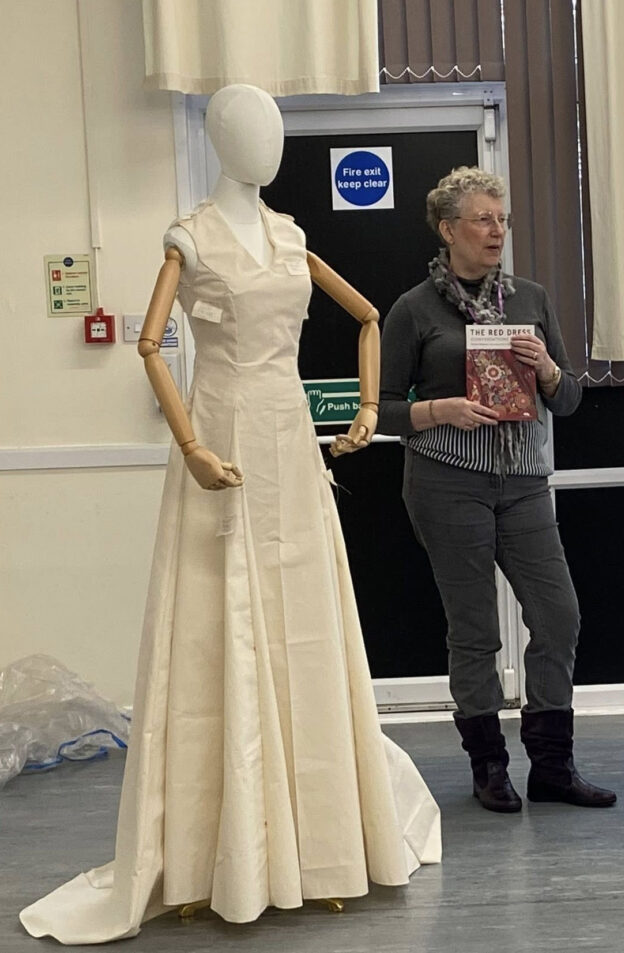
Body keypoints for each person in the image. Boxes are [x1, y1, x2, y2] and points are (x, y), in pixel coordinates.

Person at [20, 84, 441, 945]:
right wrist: (191, 447)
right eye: (255, 128)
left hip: (289, 438)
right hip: (225, 439)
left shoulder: (290, 237)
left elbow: (367, 316)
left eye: (275, 128)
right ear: (219, 136)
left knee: (306, 627)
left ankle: (320, 846)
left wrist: (369, 408)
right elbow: (149, 344)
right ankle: (222, 849)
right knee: (220, 625)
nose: (270, 142)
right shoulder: (191, 237)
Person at [377, 166, 616, 813]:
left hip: (524, 483)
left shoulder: (530, 299)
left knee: (559, 616)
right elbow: (382, 408)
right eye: (483, 219)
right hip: (446, 482)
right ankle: (489, 768)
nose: (497, 231)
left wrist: (548, 370)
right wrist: (440, 410)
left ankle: (553, 767)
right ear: (448, 228)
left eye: (502, 219)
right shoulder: (413, 310)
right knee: (475, 628)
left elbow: (568, 399)